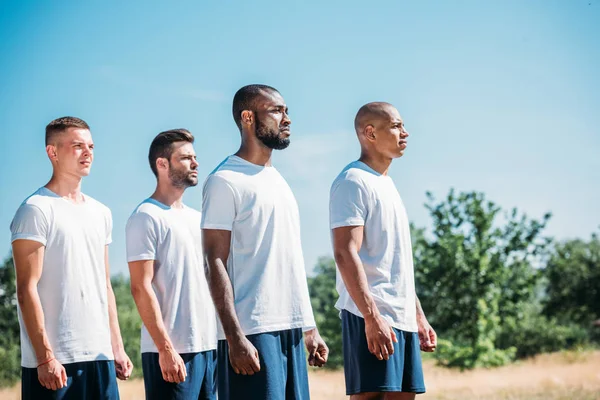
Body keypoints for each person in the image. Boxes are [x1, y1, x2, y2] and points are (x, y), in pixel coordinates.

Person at [202, 84, 328, 400]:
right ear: (248, 117)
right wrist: (233, 337)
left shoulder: (279, 181)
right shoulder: (225, 180)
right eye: (276, 111)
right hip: (252, 331)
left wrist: (308, 326)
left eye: (286, 111)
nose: (286, 119)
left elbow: (289, 260)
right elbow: (214, 261)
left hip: (290, 331)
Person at [10, 116, 133, 400]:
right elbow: (26, 289)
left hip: (100, 357)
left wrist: (116, 346)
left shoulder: (101, 212)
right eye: (77, 146)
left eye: (90, 145)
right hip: (56, 362)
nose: (88, 152)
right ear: (52, 152)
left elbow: (104, 285)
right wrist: (44, 357)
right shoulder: (35, 210)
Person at [329, 102, 437, 400]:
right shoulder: (353, 181)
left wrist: (418, 315)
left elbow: (395, 262)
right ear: (370, 132)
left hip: (400, 316)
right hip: (371, 315)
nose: (405, 132)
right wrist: (371, 317)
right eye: (396, 126)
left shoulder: (387, 185)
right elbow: (345, 253)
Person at [126, 129, 217, 400]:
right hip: (169, 353)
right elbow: (140, 288)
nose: (195, 163)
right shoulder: (145, 217)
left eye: (195, 157)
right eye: (186, 158)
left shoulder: (198, 219)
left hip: (208, 348)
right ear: (162, 164)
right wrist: (165, 349)